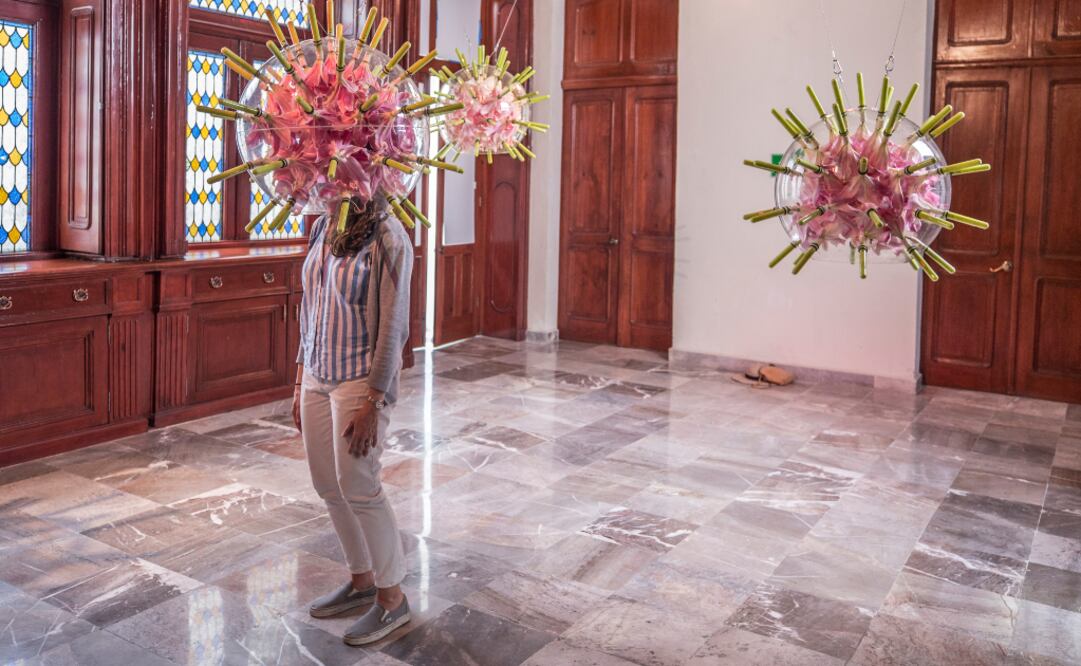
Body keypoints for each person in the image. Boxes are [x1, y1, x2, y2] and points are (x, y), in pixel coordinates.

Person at [291, 197, 413, 646]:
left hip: (359, 380)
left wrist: (374, 401)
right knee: (328, 483)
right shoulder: (325, 224)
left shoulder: (388, 236)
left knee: (360, 485)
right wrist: (299, 377)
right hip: (317, 375)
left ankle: (392, 597)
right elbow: (311, 307)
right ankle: (361, 582)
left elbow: (393, 326)